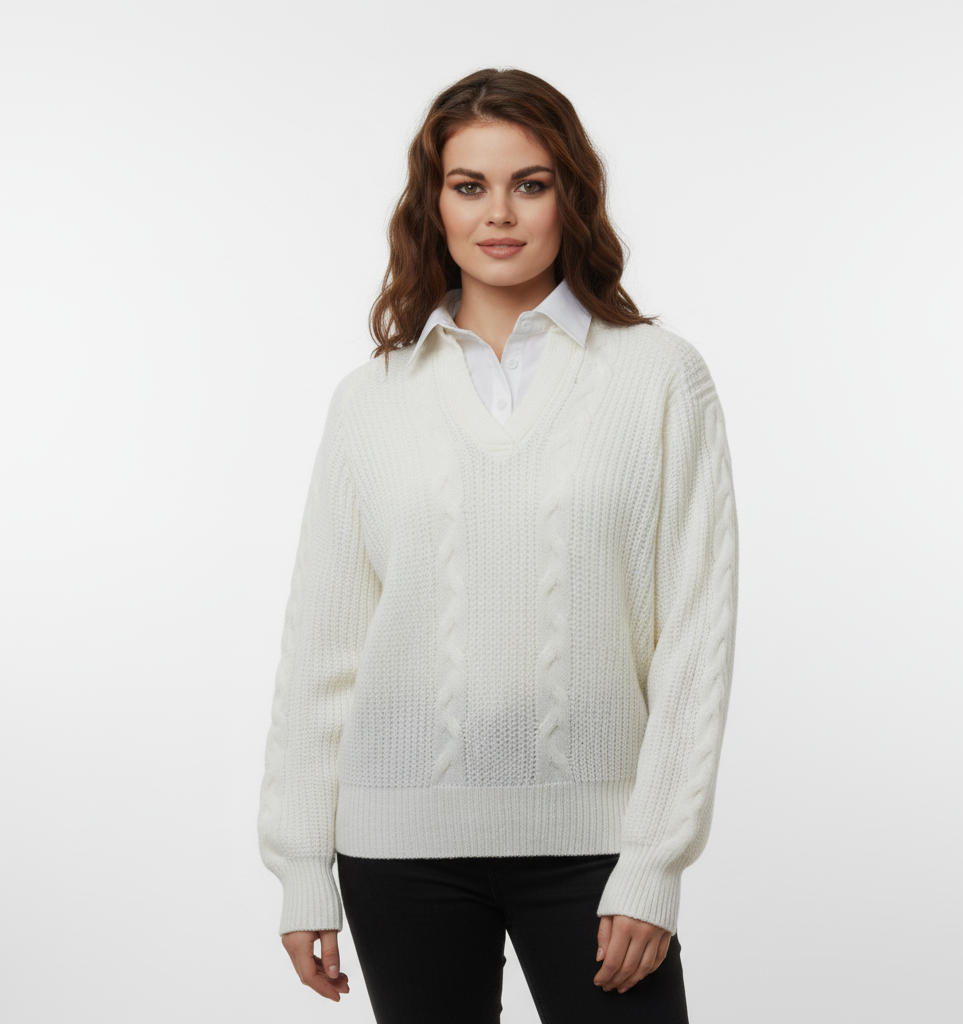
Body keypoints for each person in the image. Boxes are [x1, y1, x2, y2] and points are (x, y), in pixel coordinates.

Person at [257, 67, 739, 1023]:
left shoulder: (659, 379)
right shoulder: (371, 400)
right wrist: (301, 863)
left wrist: (654, 861)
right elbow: (322, 649)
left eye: (531, 183)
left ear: (572, 197)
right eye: (469, 185)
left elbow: (694, 640)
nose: (500, 213)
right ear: (433, 205)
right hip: (398, 851)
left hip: (597, 848)